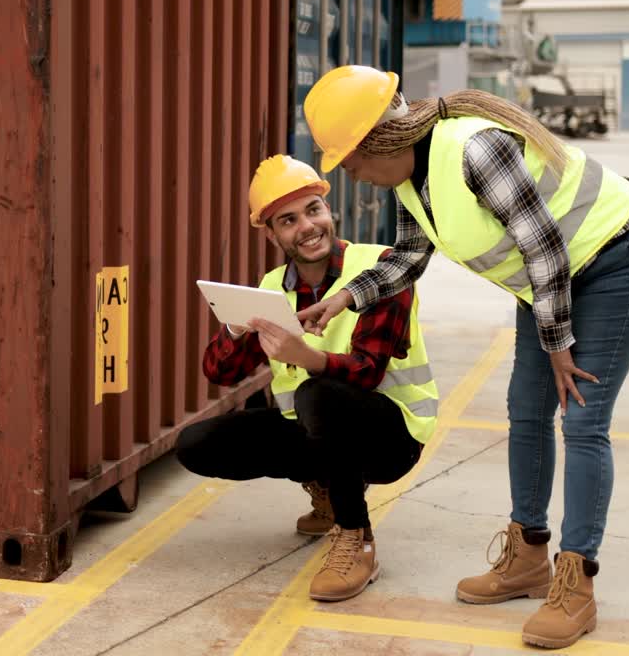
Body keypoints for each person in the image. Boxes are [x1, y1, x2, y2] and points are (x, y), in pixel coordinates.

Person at [297, 65, 629, 649]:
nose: (355, 177)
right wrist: (345, 295)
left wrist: (560, 346)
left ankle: (577, 580)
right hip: (546, 283)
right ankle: (528, 554)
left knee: (585, 418)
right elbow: (409, 258)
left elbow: (545, 247)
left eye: (352, 162)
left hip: (617, 256)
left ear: (379, 141)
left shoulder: (476, 150)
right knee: (525, 411)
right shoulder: (408, 181)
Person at [175, 154, 439, 603]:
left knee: (319, 392)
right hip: (318, 435)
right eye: (289, 219)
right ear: (272, 232)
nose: (307, 227)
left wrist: (304, 357)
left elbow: (367, 371)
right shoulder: (272, 286)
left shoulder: (380, 268)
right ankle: (327, 488)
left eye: (313, 210)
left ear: (328, 209)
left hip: (390, 437)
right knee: (196, 444)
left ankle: (356, 538)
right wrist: (237, 326)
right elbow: (219, 372)